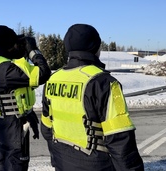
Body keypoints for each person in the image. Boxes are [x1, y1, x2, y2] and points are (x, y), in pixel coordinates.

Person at [40, 23, 144, 171]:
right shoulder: (104, 83)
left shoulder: (53, 80)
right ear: (96, 48)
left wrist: (59, 158)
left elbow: (46, 129)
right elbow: (120, 141)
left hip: (62, 163)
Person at [0, 25, 51, 171]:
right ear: (8, 46)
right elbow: (43, 73)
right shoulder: (6, 69)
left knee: (3, 163)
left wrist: (27, 112)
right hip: (14, 127)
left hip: (4, 123)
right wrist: (33, 51)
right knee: (16, 164)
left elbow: (16, 91)